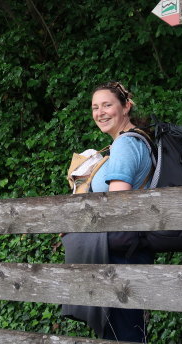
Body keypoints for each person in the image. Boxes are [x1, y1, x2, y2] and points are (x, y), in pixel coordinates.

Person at [62, 81, 153, 342]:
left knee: (122, 334)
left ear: (126, 107)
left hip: (119, 257)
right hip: (125, 252)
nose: (100, 112)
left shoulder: (126, 144)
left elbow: (117, 204)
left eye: (107, 105)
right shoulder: (133, 142)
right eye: (95, 107)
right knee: (126, 332)